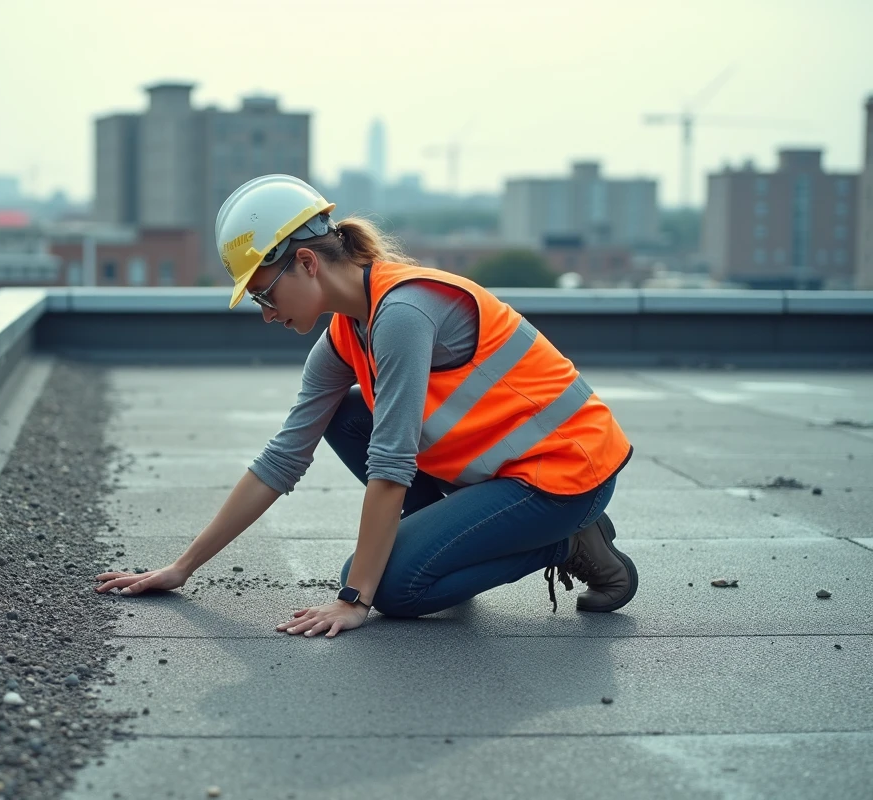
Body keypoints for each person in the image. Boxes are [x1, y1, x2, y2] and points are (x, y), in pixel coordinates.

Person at [94, 174, 637, 638]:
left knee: (392, 588)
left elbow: (392, 465)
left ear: (307, 262)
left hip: (566, 476)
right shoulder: (342, 337)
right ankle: (454, 544)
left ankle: (566, 543)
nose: (266, 313)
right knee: (345, 414)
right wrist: (182, 568)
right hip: (503, 476)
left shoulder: (403, 313)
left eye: (264, 293)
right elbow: (283, 458)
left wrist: (354, 600)